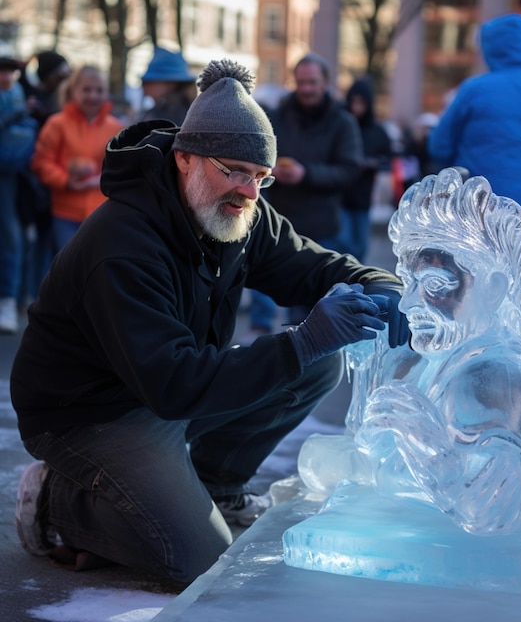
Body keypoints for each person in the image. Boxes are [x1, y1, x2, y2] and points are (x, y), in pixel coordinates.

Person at [11, 59, 409, 584]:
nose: (248, 191)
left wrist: (383, 285)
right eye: (234, 171)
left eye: (260, 178)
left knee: (319, 364)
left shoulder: (241, 212)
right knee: (199, 560)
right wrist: (302, 341)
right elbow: (172, 383)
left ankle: (215, 484)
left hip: (168, 389)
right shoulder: (123, 245)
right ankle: (57, 504)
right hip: (90, 412)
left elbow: (313, 265)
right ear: (184, 158)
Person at [296, 167, 521, 540]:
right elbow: (367, 441)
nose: (410, 303)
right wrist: (368, 360)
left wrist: (432, 451)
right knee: (314, 459)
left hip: (443, 532)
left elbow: (493, 510)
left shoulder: (502, 376)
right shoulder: (444, 351)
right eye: (409, 282)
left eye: (435, 284)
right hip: (397, 491)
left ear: (493, 288)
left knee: (319, 460)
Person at [245, 52, 362, 339]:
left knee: (314, 302)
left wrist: (306, 174)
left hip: (323, 225)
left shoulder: (342, 123)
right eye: (301, 82)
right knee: (264, 281)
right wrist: (271, 169)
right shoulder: (277, 117)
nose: (306, 88)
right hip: (278, 220)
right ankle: (261, 333)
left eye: (312, 82)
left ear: (326, 83)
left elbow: (349, 170)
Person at [428, 13, 521, 238]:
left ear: (490, 48)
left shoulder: (473, 90)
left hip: (479, 211)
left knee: (476, 272)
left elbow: (439, 146)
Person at [30, 65, 124, 253]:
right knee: (67, 272)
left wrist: (102, 179)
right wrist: (66, 180)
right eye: (86, 90)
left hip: (102, 213)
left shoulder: (116, 128)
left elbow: (122, 169)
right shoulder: (57, 124)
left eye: (99, 90)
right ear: (74, 91)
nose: (93, 96)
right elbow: (40, 162)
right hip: (65, 213)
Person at [17, 51, 72, 310]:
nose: (65, 77)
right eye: (60, 72)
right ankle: (33, 295)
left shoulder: (61, 100)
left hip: (58, 186)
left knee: (47, 242)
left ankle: (40, 295)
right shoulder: (40, 101)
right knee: (35, 241)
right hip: (39, 183)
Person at [338, 76, 392, 262]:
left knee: (360, 248)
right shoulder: (341, 125)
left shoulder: (377, 132)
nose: (356, 107)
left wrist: (372, 163)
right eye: (353, 102)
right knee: (343, 244)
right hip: (341, 196)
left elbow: (388, 158)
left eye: (361, 103)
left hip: (362, 198)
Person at [0, 56, 31, 334]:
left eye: (10, 71)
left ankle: (7, 300)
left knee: (11, 238)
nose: (6, 76)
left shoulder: (18, 96)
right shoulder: (18, 103)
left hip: (10, 179)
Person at [139, 46, 197, 126]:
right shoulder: (193, 111)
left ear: (169, 83)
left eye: (148, 82)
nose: (143, 87)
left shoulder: (167, 115)